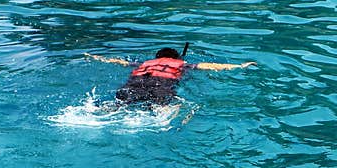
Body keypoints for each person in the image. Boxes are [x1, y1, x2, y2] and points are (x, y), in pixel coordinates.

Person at [85, 47, 256, 106]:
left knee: (118, 105)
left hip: (134, 84)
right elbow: (208, 66)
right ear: (176, 58)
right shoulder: (183, 65)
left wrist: (96, 58)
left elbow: (118, 62)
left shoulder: (144, 64)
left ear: (157, 57)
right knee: (164, 108)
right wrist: (239, 66)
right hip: (162, 85)